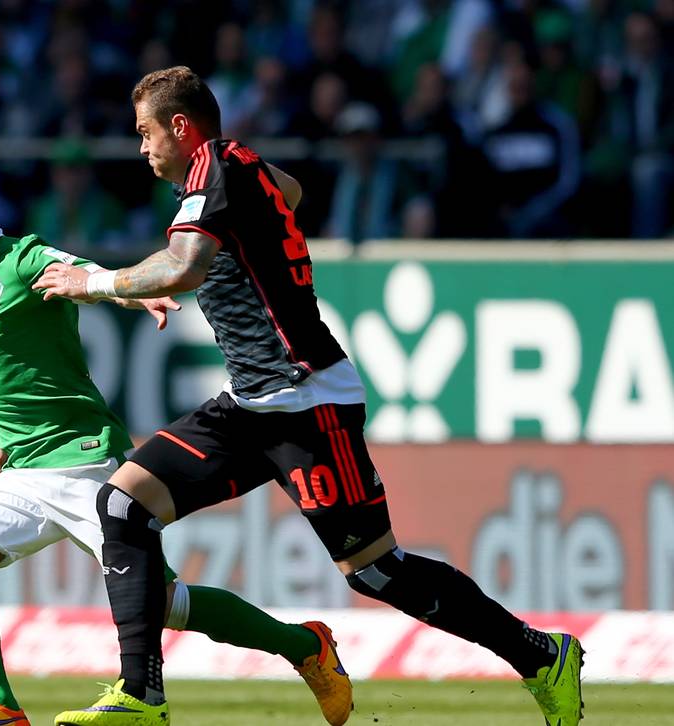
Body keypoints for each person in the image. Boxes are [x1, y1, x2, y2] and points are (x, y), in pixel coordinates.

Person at [36, 66, 584, 726]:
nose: (142, 148)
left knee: (377, 573)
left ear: (182, 128)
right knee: (123, 504)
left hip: (308, 401)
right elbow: (287, 191)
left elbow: (183, 267)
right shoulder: (237, 169)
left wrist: (95, 284)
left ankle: (540, 655)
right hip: (250, 404)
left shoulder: (216, 167)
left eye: (147, 133)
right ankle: (141, 696)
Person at [0, 174, 351, 726]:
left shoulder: (19, 261)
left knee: (166, 604)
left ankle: (305, 646)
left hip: (84, 461)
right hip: (22, 474)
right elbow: (6, 366)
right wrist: (0, 431)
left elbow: (82, 276)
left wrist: (138, 294)